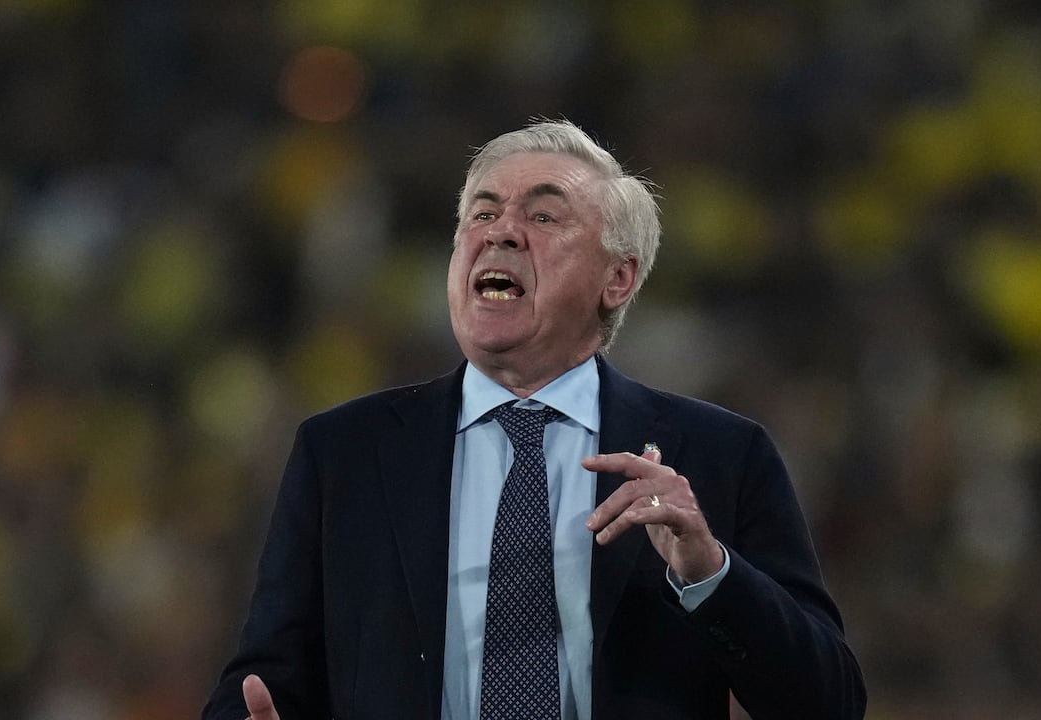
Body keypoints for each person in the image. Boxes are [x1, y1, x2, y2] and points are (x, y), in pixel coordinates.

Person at [201, 120, 866, 719]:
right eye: (483, 213)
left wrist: (710, 573)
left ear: (617, 279)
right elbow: (263, 681)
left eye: (544, 216)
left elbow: (829, 702)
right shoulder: (343, 453)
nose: (501, 230)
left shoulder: (720, 455)